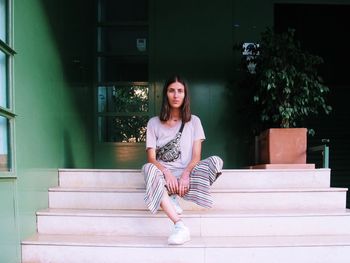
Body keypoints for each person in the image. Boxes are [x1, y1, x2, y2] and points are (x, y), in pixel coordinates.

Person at [142, 75, 223, 245]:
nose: (176, 95)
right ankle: (179, 225)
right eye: (172, 91)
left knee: (216, 161)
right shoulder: (153, 123)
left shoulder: (194, 121)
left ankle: (173, 195)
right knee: (147, 168)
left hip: (187, 174)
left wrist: (186, 174)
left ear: (185, 95)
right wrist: (167, 173)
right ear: (166, 94)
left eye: (180, 91)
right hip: (163, 175)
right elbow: (151, 158)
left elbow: (196, 157)